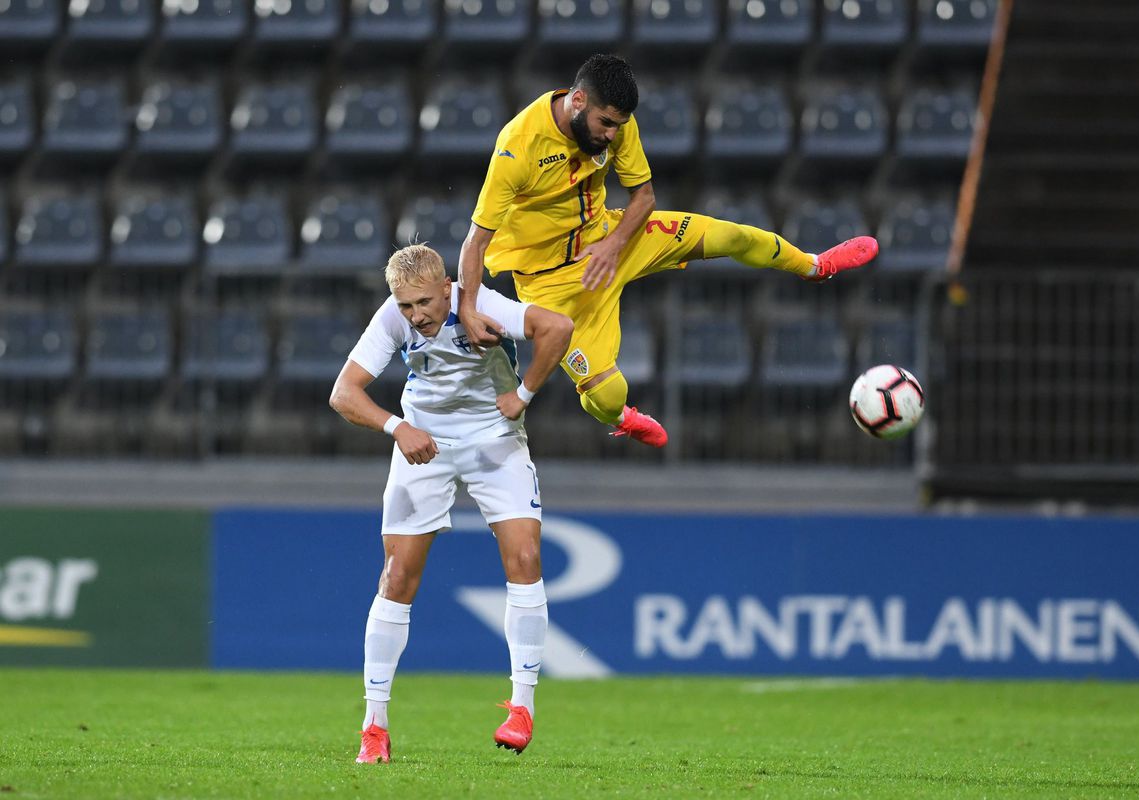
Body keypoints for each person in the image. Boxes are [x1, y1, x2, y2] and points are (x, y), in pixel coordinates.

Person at [457, 53, 879, 447]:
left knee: (731, 236)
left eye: (619, 126)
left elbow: (643, 197)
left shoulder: (616, 125)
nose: (611, 135)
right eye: (606, 123)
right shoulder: (519, 146)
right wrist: (469, 309)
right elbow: (476, 241)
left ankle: (814, 265)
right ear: (578, 100)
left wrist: (613, 245)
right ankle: (622, 418)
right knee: (607, 395)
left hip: (612, 238)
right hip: (553, 284)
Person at [329, 244, 574, 763]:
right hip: (424, 442)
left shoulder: (481, 303)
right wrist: (398, 428)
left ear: (448, 288)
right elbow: (343, 393)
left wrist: (524, 395)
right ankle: (374, 726)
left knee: (526, 557)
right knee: (397, 576)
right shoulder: (393, 319)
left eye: (424, 302)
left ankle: (522, 708)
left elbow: (558, 327)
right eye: (405, 305)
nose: (415, 316)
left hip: (494, 438)